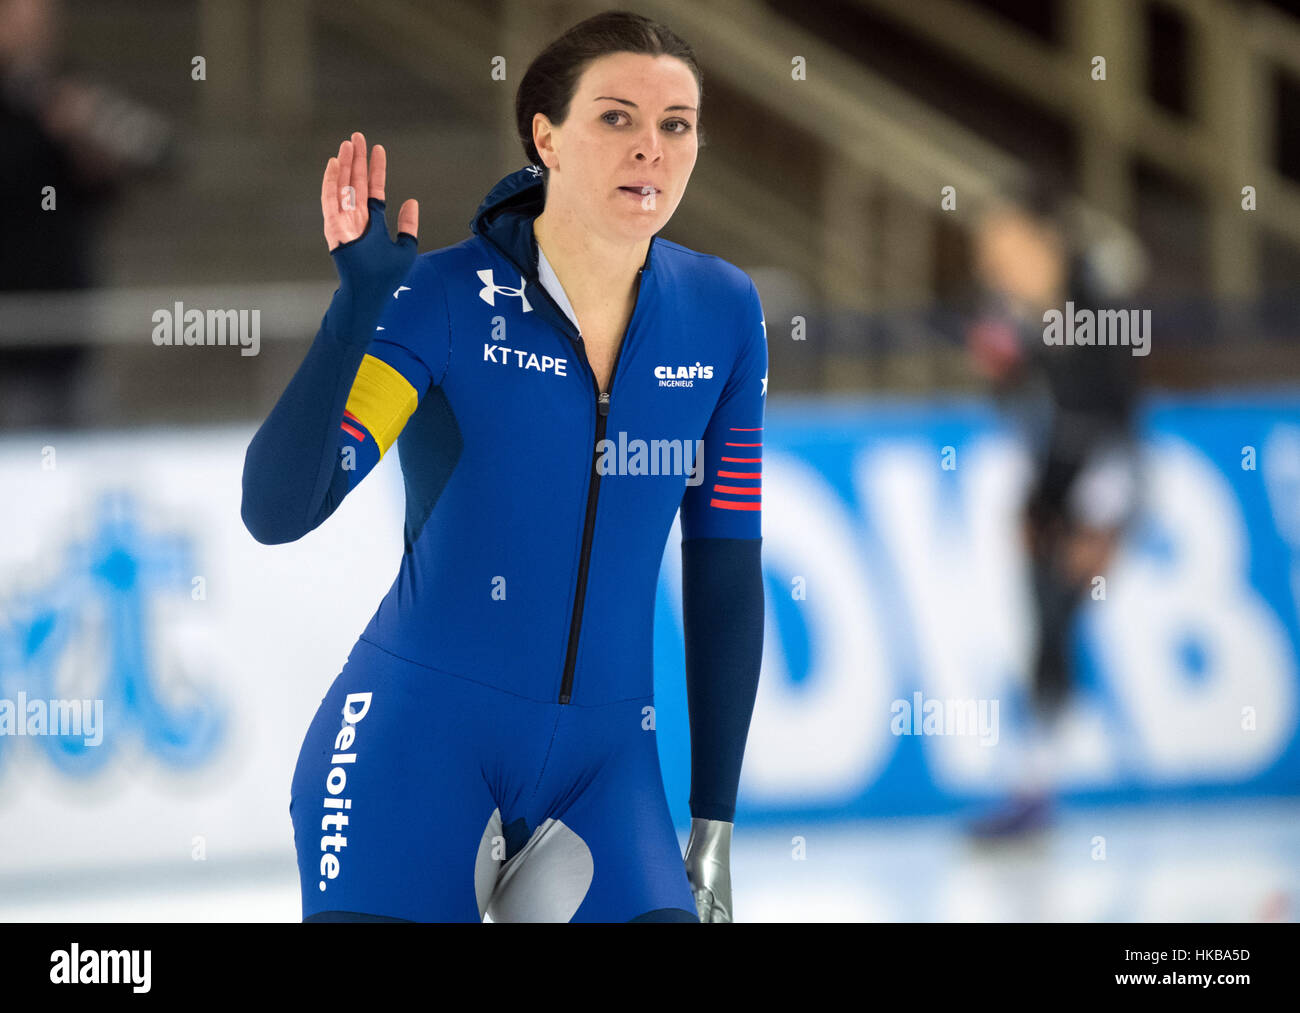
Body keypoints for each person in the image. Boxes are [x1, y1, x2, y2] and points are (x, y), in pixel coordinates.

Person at [241, 10, 767, 922]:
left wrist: (713, 818)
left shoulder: (720, 313)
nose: (651, 147)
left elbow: (724, 564)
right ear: (547, 139)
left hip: (608, 774)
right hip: (411, 756)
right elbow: (280, 507)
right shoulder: (440, 298)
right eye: (617, 118)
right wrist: (358, 307)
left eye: (675, 125)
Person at [963, 180, 1144, 837]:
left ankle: (1038, 781)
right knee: (1040, 627)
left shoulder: (1087, 308)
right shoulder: (1021, 309)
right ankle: (1033, 780)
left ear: (1041, 237)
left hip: (1088, 488)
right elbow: (1033, 411)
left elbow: (1115, 416)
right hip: (1053, 486)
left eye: (1002, 237)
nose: (989, 254)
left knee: (1053, 628)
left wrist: (1105, 519)